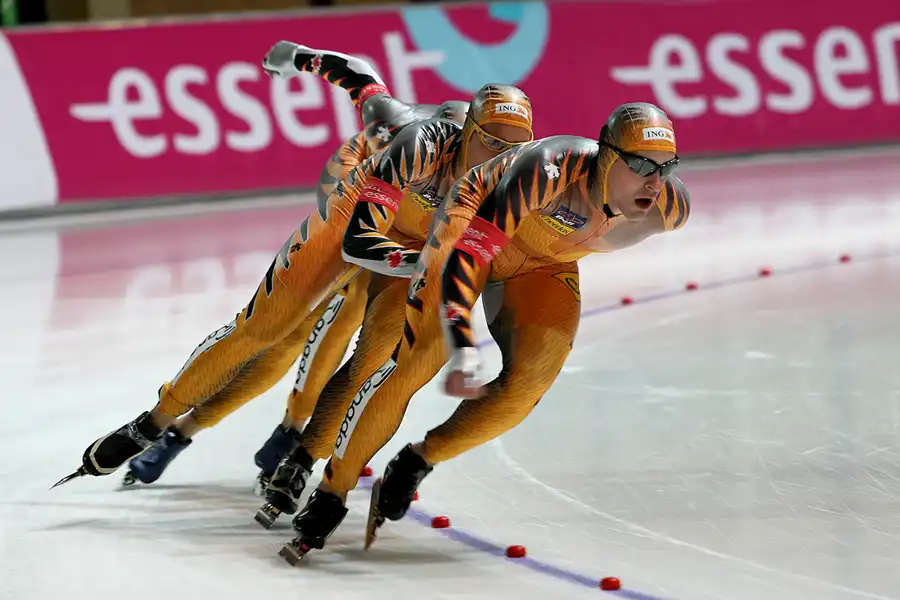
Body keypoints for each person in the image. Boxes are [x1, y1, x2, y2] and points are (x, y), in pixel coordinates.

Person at [52, 43, 533, 492]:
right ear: (462, 134)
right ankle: (160, 425)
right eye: (488, 145)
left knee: (372, 354)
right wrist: (295, 57)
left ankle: (296, 441)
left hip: (410, 241)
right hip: (356, 216)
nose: (497, 160)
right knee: (274, 332)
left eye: (509, 150)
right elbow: (359, 77)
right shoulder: (408, 136)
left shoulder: (515, 182)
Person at [276, 102, 690, 563]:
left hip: (543, 262)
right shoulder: (546, 171)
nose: (655, 181)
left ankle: (416, 459)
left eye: (666, 167)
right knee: (416, 360)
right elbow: (468, 258)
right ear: (606, 156)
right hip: (471, 229)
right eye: (640, 165)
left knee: (526, 387)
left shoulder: (671, 207)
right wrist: (465, 346)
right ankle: (332, 491)